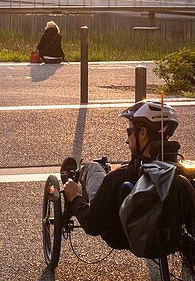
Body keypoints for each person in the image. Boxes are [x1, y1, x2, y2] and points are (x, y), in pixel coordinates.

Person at [60, 100, 180, 249]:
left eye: (129, 132)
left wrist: (76, 198)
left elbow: (91, 225)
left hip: (121, 236)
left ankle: (71, 180)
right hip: (170, 237)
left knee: (92, 168)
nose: (127, 139)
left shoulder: (116, 179)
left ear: (142, 133)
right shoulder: (180, 176)